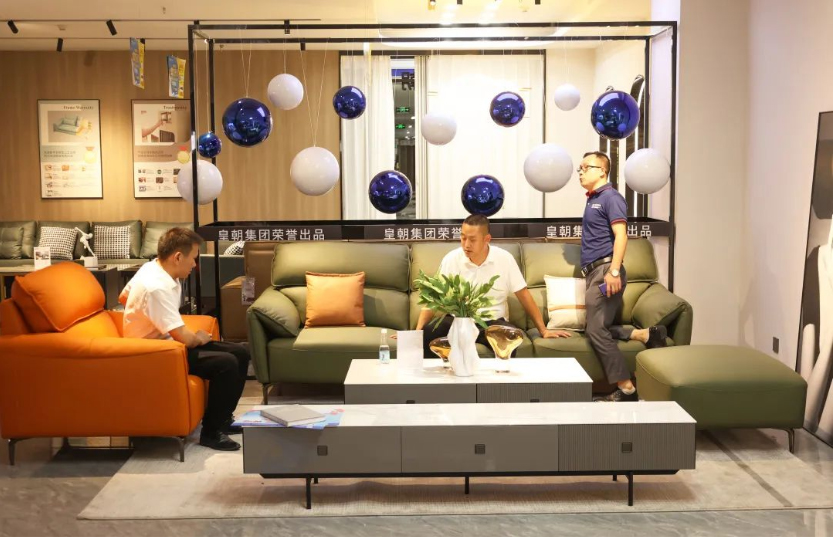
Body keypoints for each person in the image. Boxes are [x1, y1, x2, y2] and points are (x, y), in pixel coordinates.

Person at [119, 227, 250, 451]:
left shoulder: (152, 267)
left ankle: (223, 419)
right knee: (226, 364)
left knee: (240, 353)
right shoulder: (156, 287)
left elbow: (123, 296)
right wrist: (198, 336)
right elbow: (186, 339)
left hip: (168, 344)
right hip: (154, 353)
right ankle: (211, 433)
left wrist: (146, 317)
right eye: (193, 259)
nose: (195, 265)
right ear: (178, 257)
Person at [577, 151, 667, 403]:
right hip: (595, 272)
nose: (581, 172)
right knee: (595, 327)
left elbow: (621, 235)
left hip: (605, 271)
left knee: (595, 330)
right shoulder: (594, 199)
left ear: (602, 171)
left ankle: (626, 388)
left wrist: (614, 271)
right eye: (579, 168)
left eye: (586, 167)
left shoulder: (611, 198)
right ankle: (644, 335)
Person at [419, 214, 572, 356]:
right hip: (458, 321)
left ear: (487, 239)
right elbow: (434, 298)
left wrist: (543, 330)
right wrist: (416, 334)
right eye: (463, 238)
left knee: (509, 337)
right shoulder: (451, 259)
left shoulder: (504, 259)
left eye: (472, 240)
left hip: (492, 323)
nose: (466, 245)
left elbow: (524, 295)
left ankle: (500, 376)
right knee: (429, 332)